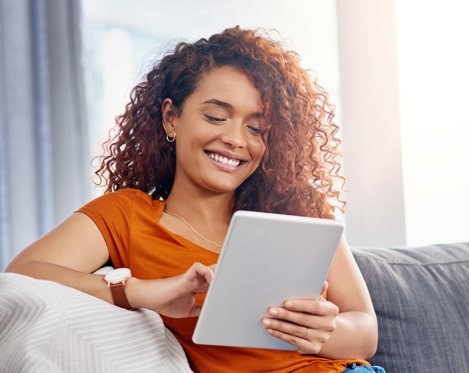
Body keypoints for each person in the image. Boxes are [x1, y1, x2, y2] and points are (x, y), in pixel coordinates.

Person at [5, 26, 385, 372]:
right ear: (172, 117)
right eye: (217, 118)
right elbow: (23, 276)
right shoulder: (127, 216)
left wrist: (323, 331)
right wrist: (145, 292)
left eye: (256, 128)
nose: (237, 140)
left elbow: (365, 330)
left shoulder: (299, 210)